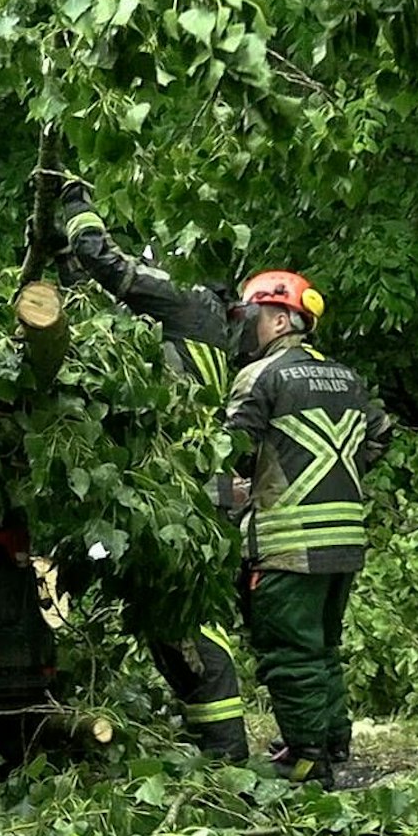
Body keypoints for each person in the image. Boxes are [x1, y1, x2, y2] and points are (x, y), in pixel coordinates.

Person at [55, 179, 250, 761]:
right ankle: (212, 745)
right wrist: (59, 257)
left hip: (183, 494)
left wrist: (75, 206)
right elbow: (99, 317)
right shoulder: (194, 320)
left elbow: (105, 262)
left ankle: (226, 754)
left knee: (188, 622)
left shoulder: (187, 301)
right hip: (177, 489)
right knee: (165, 623)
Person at [225, 270, 392, 785]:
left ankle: (307, 758)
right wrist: (344, 479)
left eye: (250, 317)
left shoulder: (260, 378)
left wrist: (221, 511)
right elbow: (382, 434)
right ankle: (333, 741)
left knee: (290, 655)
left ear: (278, 318)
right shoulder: (347, 377)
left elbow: (229, 455)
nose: (244, 328)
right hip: (345, 538)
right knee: (323, 648)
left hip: (288, 542)